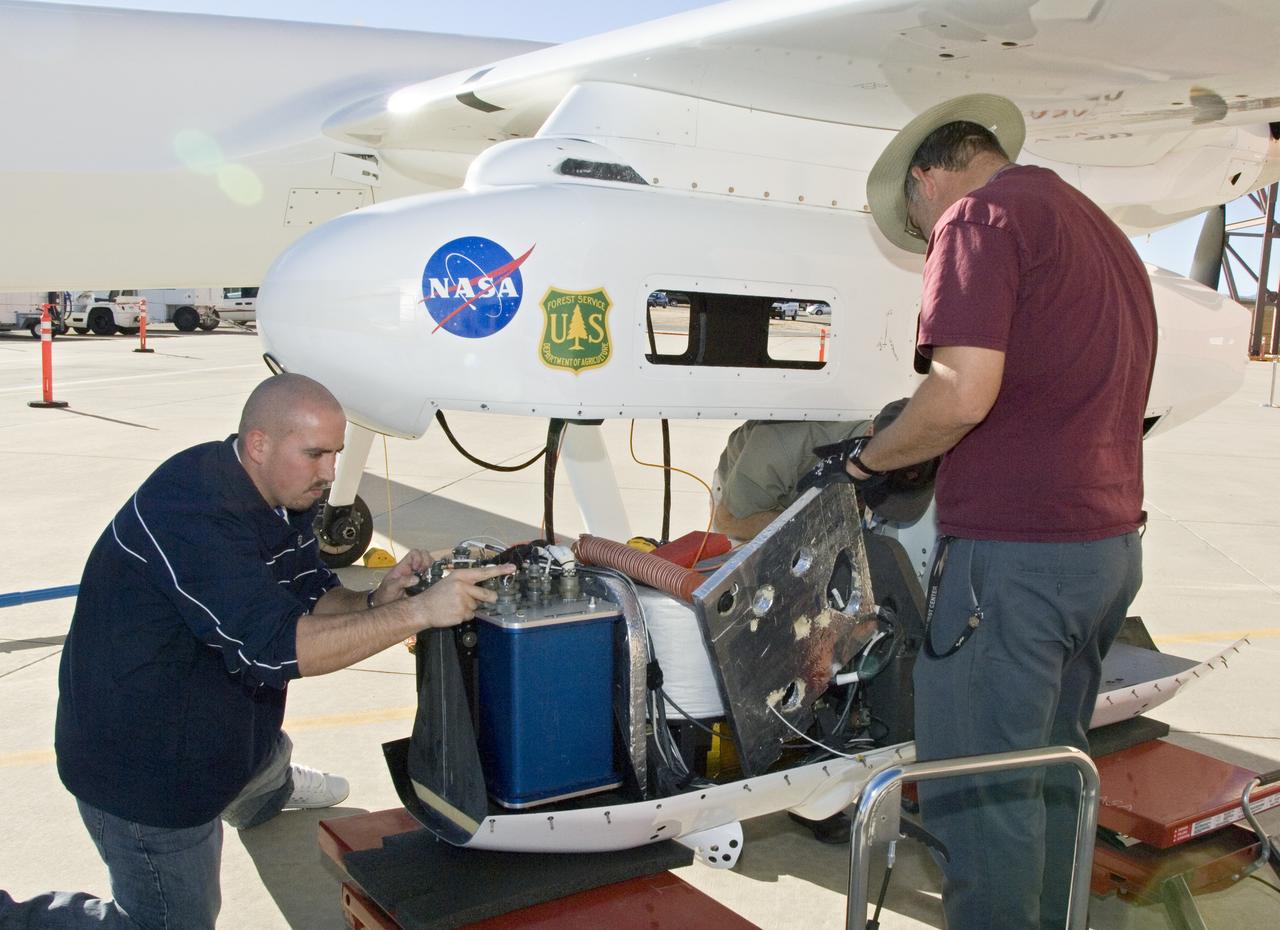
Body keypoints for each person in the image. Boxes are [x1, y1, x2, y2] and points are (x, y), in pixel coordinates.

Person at [812, 94, 1155, 928]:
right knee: (1054, 777)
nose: (931, 239)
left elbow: (962, 392)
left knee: (982, 800)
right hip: (1104, 550)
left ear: (929, 180)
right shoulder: (1096, 230)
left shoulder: (979, 217)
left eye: (918, 223)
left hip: (1016, 565)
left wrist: (866, 460)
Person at [0, 373, 512, 929]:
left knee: (261, 763)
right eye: (315, 454)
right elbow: (276, 650)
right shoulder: (192, 513)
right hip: (146, 764)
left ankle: (271, 788)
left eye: (336, 454)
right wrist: (417, 612)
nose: (330, 473)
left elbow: (314, 597)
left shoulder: (280, 492)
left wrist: (376, 600)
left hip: (225, 725)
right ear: (259, 444)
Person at [711, 419, 871, 541]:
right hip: (743, 508)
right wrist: (810, 529)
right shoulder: (775, 452)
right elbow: (726, 522)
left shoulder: (885, 429)